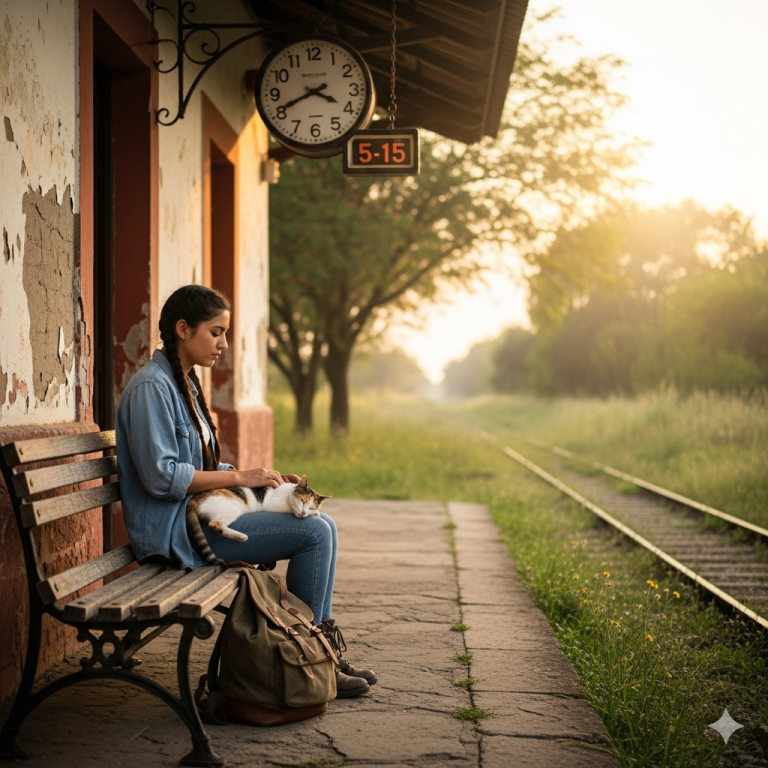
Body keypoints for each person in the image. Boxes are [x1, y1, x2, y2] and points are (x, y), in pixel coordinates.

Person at [115, 284, 375, 698]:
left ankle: (320, 651)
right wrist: (239, 479)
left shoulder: (185, 384)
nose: (224, 343)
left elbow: (199, 465)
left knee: (322, 522)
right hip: (177, 532)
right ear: (183, 329)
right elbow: (162, 478)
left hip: (202, 514)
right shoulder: (153, 388)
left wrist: (262, 478)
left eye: (225, 332)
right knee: (314, 533)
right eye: (215, 332)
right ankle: (308, 657)